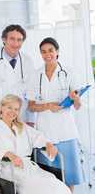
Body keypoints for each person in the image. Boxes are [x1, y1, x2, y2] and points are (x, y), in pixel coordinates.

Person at [27, 37, 84, 193]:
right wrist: (47, 106)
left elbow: (78, 106)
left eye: (50, 50)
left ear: (57, 51)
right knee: (50, 178)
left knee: (69, 176)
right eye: (43, 52)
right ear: (40, 54)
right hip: (45, 133)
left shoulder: (69, 72)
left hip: (66, 131)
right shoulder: (36, 75)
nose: (47, 54)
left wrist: (75, 98)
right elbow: (31, 107)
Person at [0, 94, 71, 194]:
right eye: (9, 107)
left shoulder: (21, 126)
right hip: (11, 171)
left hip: (29, 168)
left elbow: (37, 136)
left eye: (16, 109)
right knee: (40, 189)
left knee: (58, 186)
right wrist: (10, 155)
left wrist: (48, 144)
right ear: (1, 108)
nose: (13, 112)